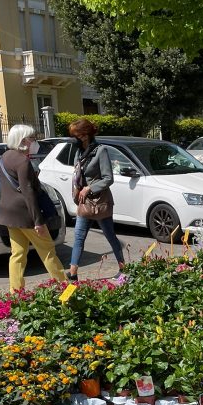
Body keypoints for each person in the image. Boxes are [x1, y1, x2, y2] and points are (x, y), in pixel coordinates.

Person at [0, 123, 66, 292]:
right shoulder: (22, 161)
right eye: (32, 138)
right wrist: (38, 221)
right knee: (47, 249)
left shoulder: (5, 156)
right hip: (26, 214)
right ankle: (64, 285)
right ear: (23, 140)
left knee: (18, 253)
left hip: (8, 213)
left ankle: (15, 291)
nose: (35, 142)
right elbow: (28, 192)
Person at [67, 118, 124, 282]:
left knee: (110, 236)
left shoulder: (101, 150)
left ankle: (123, 268)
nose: (74, 139)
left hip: (100, 203)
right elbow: (77, 174)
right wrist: (77, 189)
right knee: (78, 237)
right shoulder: (78, 152)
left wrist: (89, 188)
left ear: (85, 135)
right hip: (84, 203)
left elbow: (108, 178)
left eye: (76, 135)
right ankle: (73, 273)